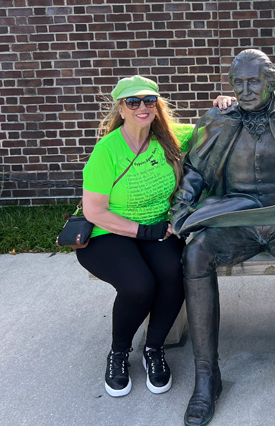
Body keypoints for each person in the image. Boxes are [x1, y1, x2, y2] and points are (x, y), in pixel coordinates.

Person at [170, 49, 275, 426]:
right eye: (238, 82)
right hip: (235, 221)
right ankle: (206, 375)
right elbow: (196, 172)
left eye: (254, 81)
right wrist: (182, 207)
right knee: (196, 255)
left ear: (272, 82)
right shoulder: (218, 120)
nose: (245, 90)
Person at [76, 75, 195, 397]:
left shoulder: (171, 137)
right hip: (108, 232)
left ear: (157, 105)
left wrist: (224, 103)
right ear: (121, 108)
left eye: (149, 100)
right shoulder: (108, 150)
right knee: (138, 285)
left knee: (176, 274)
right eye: (133, 102)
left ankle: (154, 349)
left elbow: (214, 127)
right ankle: (119, 353)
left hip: (157, 230)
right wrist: (144, 230)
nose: (142, 107)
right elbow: (95, 211)